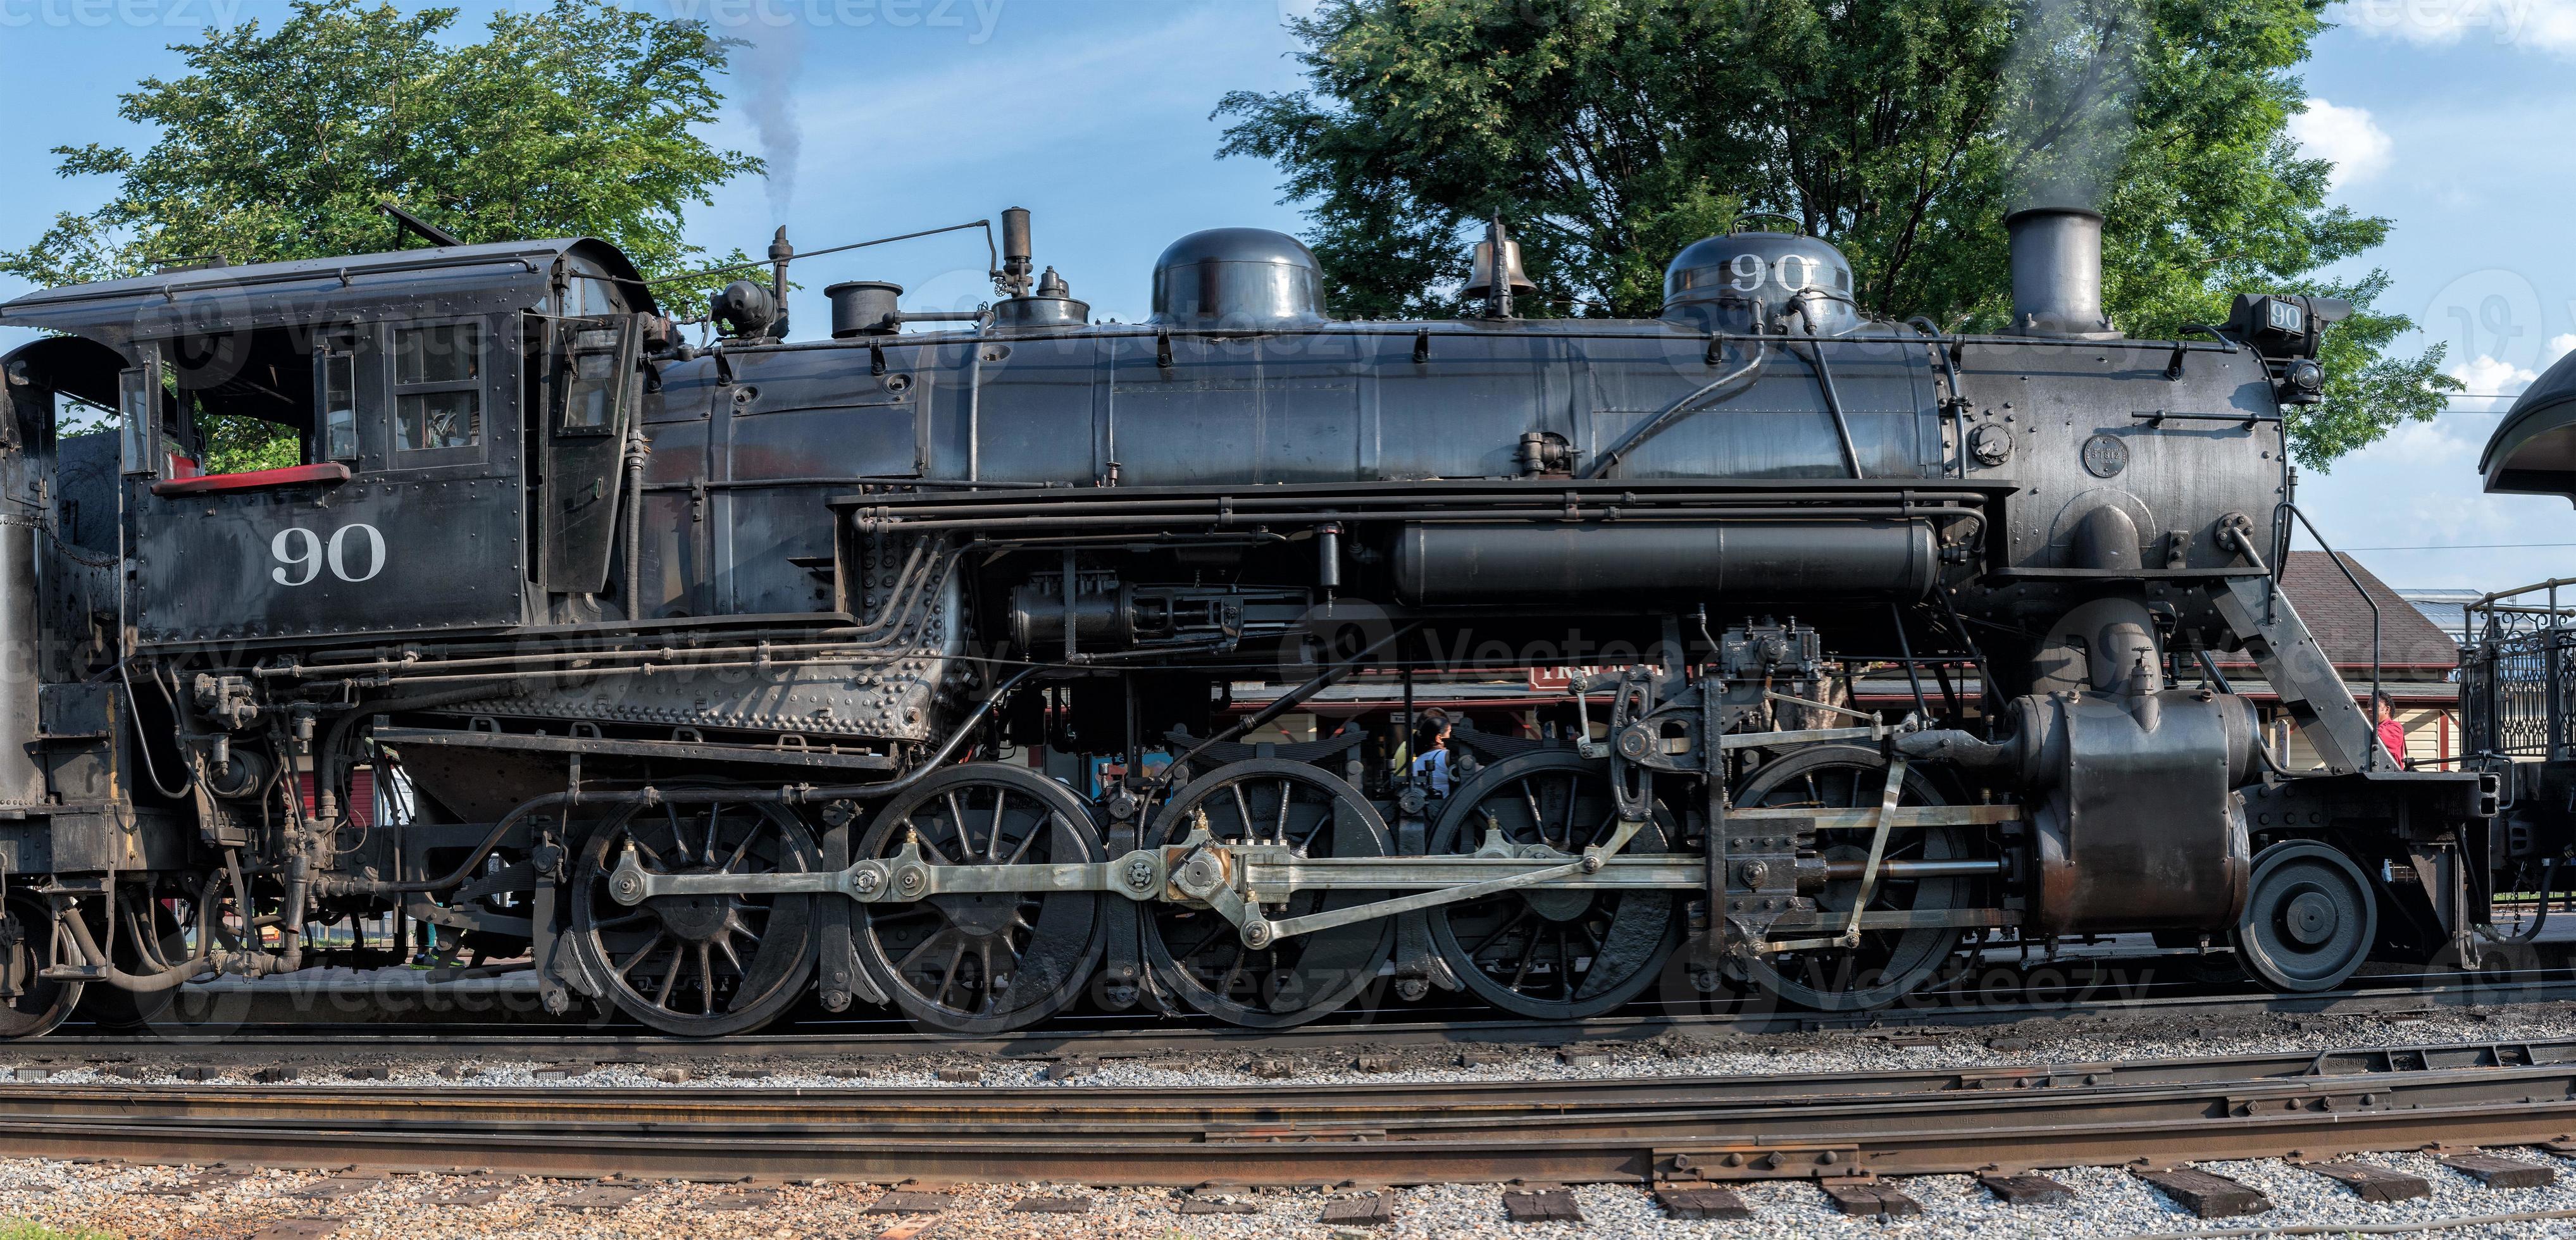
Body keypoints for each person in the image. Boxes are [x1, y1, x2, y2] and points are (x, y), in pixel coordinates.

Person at [1409, 714, 1454, 797]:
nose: (1452, 736)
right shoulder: (1445, 756)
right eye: (1450, 733)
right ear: (1439, 738)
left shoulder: (1417, 761)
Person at [2372, 691, 2406, 766]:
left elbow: (2372, 738)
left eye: (2374, 706)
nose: (2369, 709)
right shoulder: (2373, 728)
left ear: (2387, 710)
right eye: (2368, 706)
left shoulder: (2395, 728)